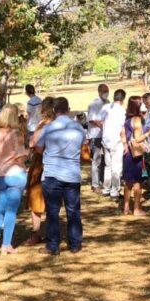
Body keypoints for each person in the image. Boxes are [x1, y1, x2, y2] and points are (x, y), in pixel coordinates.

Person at [34, 97, 86, 255]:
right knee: (73, 210)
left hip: (52, 173)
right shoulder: (78, 128)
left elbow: (38, 148)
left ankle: (53, 245)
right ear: (68, 109)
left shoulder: (49, 128)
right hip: (71, 173)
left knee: (52, 211)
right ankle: (75, 243)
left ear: (54, 110)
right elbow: (84, 150)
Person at [0, 104, 28, 253]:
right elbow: (21, 158)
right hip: (15, 174)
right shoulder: (17, 134)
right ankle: (6, 244)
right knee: (11, 211)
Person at [24, 97, 56, 246]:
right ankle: (51, 233)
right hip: (56, 164)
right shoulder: (59, 124)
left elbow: (33, 143)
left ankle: (36, 233)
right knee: (52, 201)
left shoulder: (42, 125)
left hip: (40, 163)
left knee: (36, 198)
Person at [121, 96, 148, 216]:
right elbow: (138, 138)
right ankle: (136, 208)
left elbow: (122, 135)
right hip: (135, 154)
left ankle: (126, 208)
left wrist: (125, 146)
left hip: (127, 153)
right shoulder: (137, 119)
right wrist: (149, 132)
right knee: (138, 181)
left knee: (128, 181)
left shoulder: (127, 119)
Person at [100, 89, 127, 199]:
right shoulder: (122, 111)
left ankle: (106, 189)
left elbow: (101, 122)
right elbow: (123, 128)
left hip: (106, 139)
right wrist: (125, 143)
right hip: (116, 140)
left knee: (108, 165)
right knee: (116, 167)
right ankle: (115, 191)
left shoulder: (105, 107)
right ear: (122, 99)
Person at [85, 84, 109, 194]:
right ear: (99, 91)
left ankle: (104, 181)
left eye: (107, 91)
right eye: (104, 91)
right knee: (96, 160)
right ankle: (95, 185)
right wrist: (102, 125)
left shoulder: (109, 103)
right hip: (96, 135)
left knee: (106, 160)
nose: (106, 93)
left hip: (106, 136)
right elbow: (91, 120)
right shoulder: (94, 104)